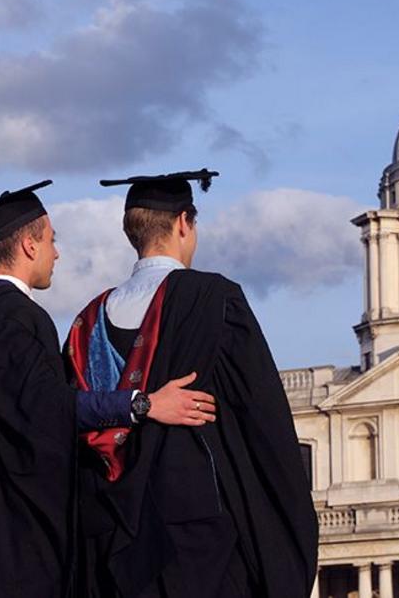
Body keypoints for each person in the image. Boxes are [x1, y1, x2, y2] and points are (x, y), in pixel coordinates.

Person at [0, 180, 215, 598]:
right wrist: (143, 404)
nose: (56, 253)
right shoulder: (16, 319)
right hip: (4, 541)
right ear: (30, 246)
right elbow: (46, 408)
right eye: (51, 240)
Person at [65, 170, 318, 598]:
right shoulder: (214, 299)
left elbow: (66, 415)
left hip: (107, 532)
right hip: (196, 534)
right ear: (184, 223)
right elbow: (261, 417)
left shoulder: (86, 321)